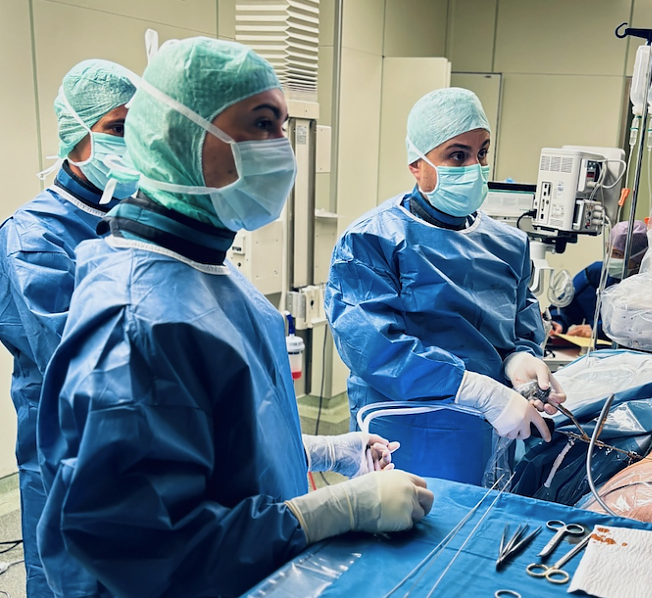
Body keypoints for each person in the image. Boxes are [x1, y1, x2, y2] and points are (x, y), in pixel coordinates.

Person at [36, 37, 432, 598]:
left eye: (283, 128)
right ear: (181, 136)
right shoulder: (138, 325)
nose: (282, 150)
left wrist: (321, 451)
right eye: (263, 124)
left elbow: (212, 444)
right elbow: (150, 550)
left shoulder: (209, 272)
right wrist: (332, 510)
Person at [325, 88, 565, 483]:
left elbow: (521, 325)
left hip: (491, 429)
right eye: (457, 155)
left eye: (482, 153)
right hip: (405, 430)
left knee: (482, 513)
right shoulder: (372, 241)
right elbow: (375, 348)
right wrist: (479, 391)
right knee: (405, 513)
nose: (474, 166)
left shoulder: (508, 245)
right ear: (416, 164)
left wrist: (519, 359)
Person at [0, 59, 136, 598]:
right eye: (116, 129)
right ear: (75, 136)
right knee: (71, 580)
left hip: (143, 442)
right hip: (68, 448)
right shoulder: (33, 236)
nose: (131, 143)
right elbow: (75, 362)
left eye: (139, 129)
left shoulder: (135, 220)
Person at [548, 220, 648, 340]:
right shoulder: (597, 274)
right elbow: (566, 306)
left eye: (617, 254)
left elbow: (640, 327)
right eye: (608, 250)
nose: (609, 258)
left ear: (639, 258)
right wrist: (557, 322)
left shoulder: (649, 288)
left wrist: (598, 330)